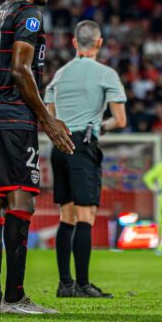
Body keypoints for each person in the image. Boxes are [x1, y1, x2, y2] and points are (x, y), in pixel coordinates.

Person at [0, 0, 73, 315]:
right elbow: (20, 69)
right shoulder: (30, 14)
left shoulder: (0, 13)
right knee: (22, 201)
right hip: (14, 116)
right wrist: (47, 122)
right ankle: (15, 298)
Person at [45, 20, 127, 299]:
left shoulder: (60, 74)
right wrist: (99, 126)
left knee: (65, 215)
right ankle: (82, 284)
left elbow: (49, 114)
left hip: (59, 146)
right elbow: (120, 119)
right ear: (99, 43)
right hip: (83, 144)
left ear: (74, 42)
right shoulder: (106, 74)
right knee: (85, 216)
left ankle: (64, 284)